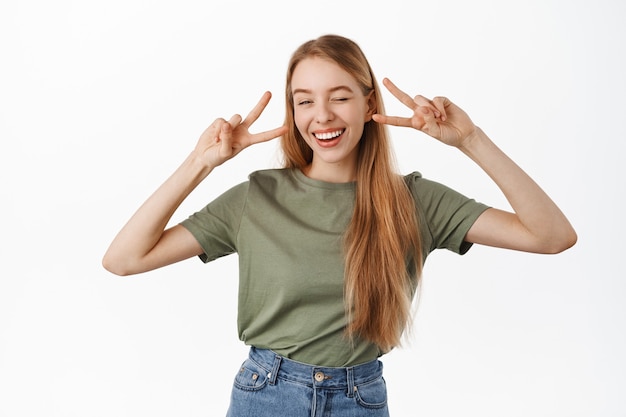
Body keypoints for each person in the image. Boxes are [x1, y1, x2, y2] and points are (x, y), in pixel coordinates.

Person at [102, 34, 576, 416]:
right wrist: (200, 163)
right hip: (266, 395)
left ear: (369, 104)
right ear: (293, 112)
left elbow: (551, 236)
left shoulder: (413, 201)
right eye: (304, 101)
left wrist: (471, 140)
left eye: (340, 97)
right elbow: (123, 260)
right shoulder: (257, 198)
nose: (322, 115)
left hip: (360, 398)